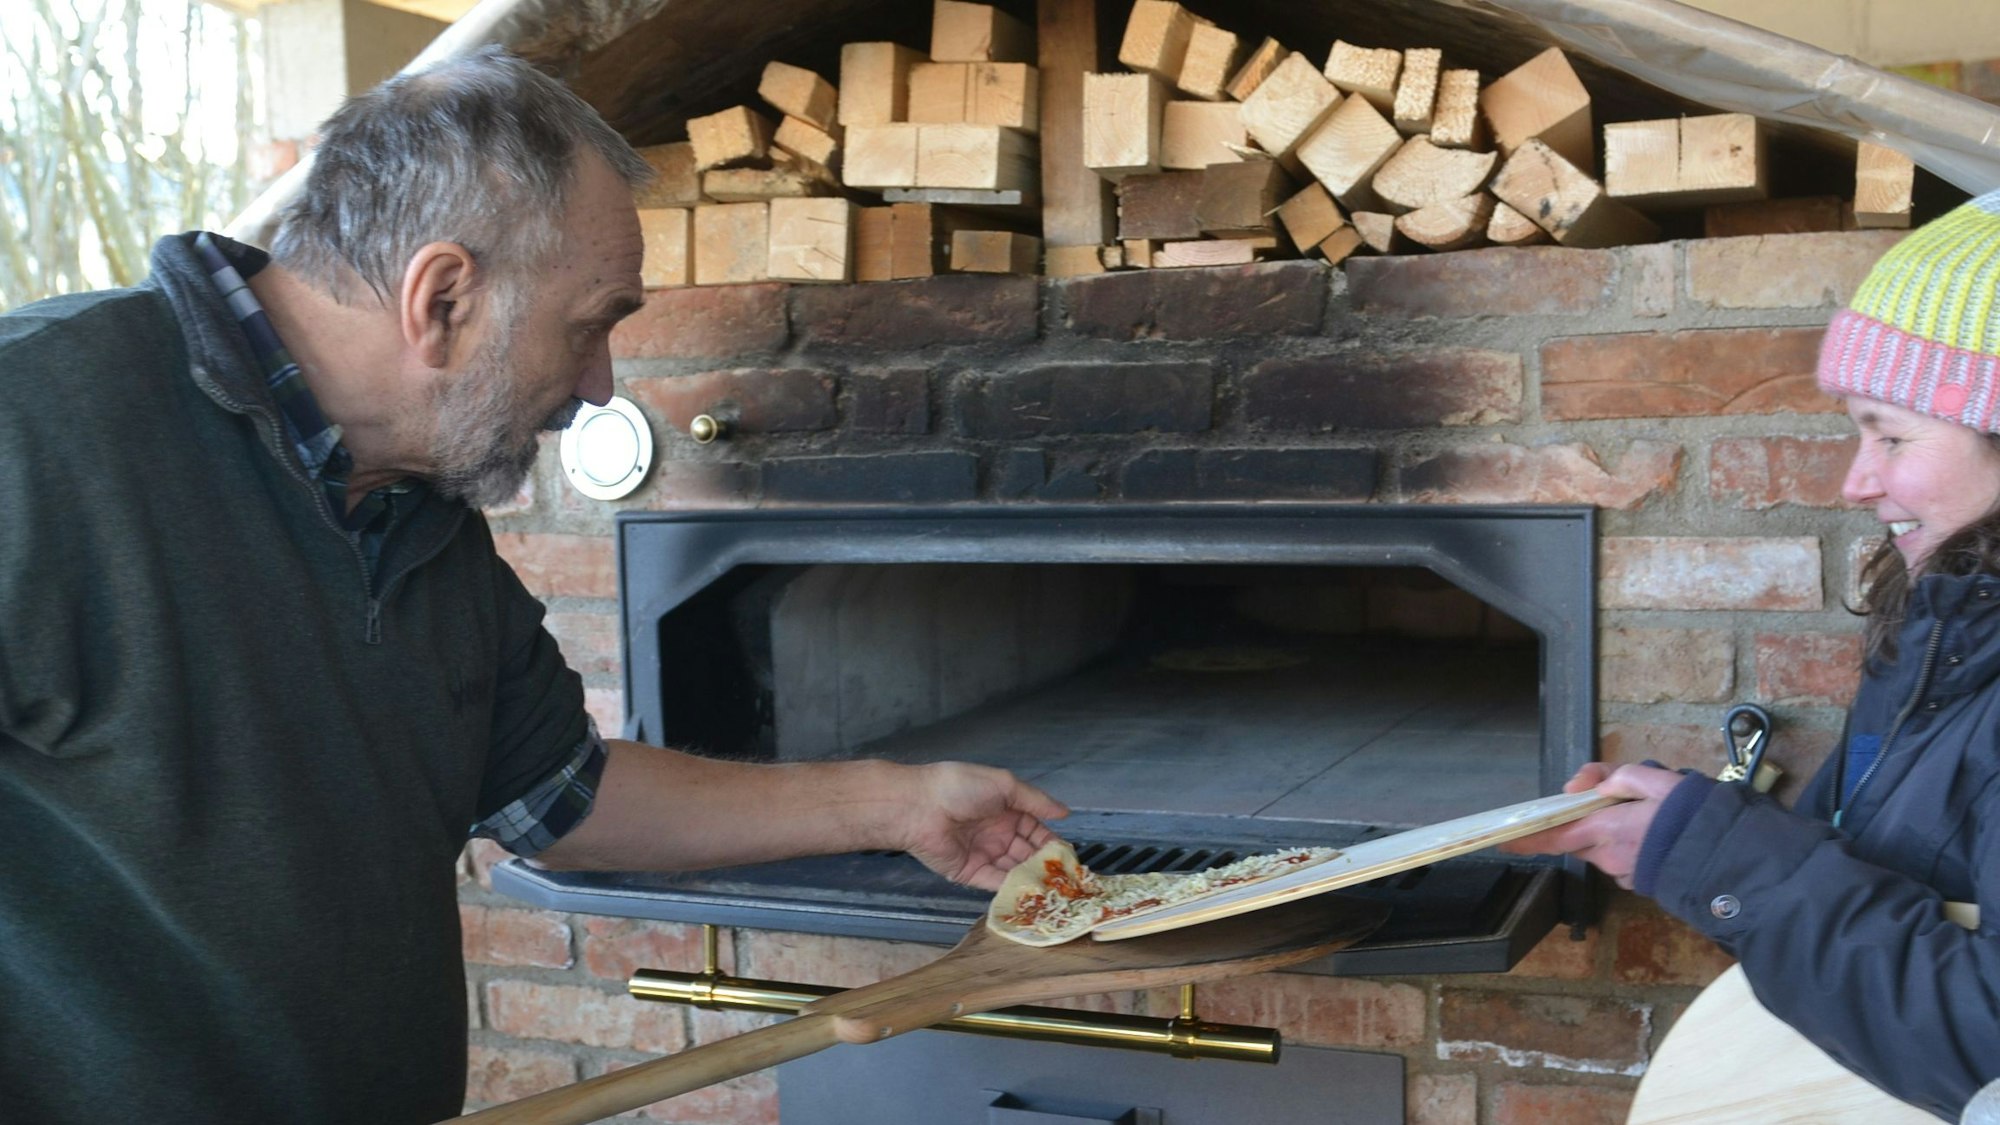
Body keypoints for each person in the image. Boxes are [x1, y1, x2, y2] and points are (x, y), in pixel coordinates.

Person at [0, 48, 1065, 1125]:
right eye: (593, 322)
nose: (600, 384)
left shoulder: (420, 509)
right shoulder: (33, 426)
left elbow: (561, 798)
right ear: (444, 296)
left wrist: (895, 803)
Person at [1504, 188, 2000, 1121]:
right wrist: (1698, 837)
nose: (1857, 481)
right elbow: (1884, 862)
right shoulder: (1953, 616)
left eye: (1891, 434)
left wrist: (1719, 854)